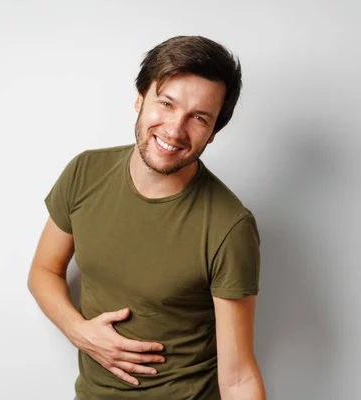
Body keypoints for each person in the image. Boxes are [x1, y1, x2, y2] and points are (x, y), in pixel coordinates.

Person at [27, 35, 266, 400]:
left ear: (214, 132)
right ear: (141, 98)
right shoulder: (85, 172)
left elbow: (238, 377)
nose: (174, 129)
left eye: (198, 118)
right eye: (166, 104)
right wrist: (80, 332)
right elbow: (43, 271)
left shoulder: (230, 226)